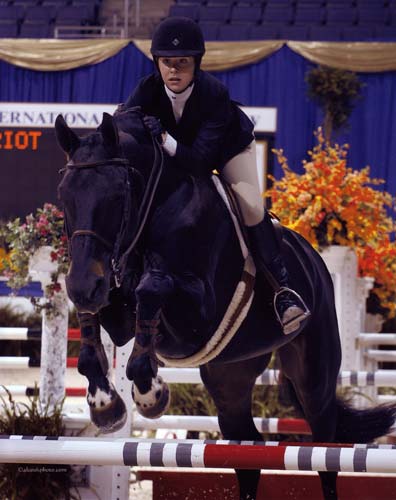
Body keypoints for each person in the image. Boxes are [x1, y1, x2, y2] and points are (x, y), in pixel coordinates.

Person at [123, 16, 310, 335]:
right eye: (166, 62)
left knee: (250, 205)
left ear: (196, 63)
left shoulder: (214, 94)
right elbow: (122, 127)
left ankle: (283, 291)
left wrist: (165, 138)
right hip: (180, 154)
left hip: (227, 151)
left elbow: (198, 164)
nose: (173, 70)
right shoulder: (147, 89)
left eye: (182, 63)